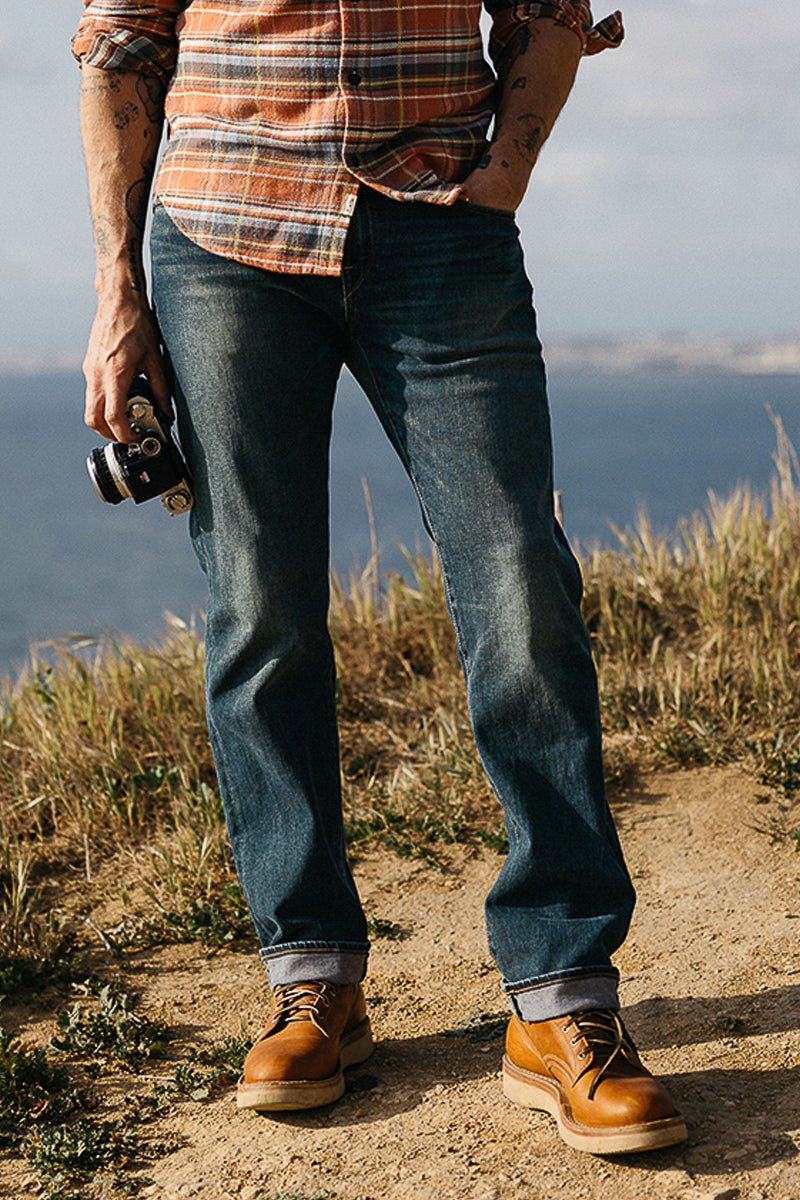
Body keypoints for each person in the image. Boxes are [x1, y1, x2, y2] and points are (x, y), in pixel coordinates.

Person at [73, 0, 686, 1154]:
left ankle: (559, 997)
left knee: (517, 578)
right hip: (223, 232)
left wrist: (504, 174)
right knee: (259, 608)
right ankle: (312, 981)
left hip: (439, 225)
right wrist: (116, 292)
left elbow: (548, 9)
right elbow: (121, 46)